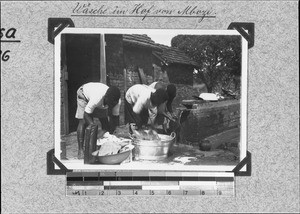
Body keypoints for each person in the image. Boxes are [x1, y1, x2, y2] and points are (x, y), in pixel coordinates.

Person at [75, 82, 121, 159]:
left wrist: (111, 136)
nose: (110, 106)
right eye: (109, 103)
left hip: (98, 98)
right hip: (84, 93)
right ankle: (81, 150)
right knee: (83, 121)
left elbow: (115, 119)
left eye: (112, 105)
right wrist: (93, 126)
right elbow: (86, 114)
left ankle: (104, 146)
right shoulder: (97, 97)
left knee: (105, 121)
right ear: (106, 98)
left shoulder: (116, 101)